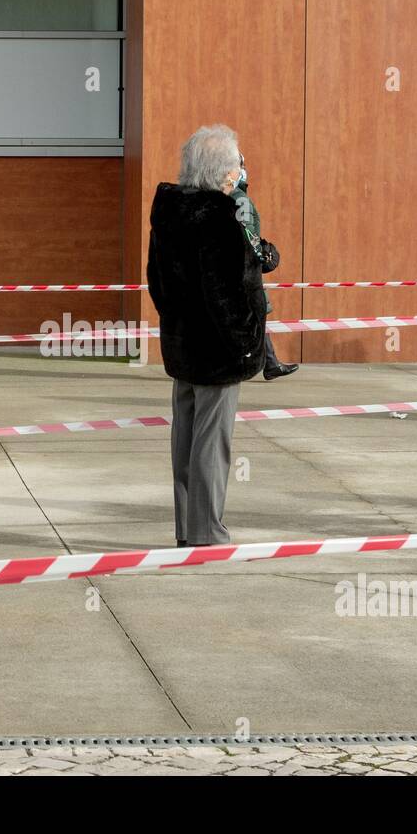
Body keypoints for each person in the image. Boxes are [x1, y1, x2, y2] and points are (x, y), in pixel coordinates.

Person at [148, 124, 265, 547]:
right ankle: (207, 531)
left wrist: (176, 323)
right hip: (217, 352)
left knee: (185, 439)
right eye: (236, 164)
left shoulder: (167, 210)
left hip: (182, 346)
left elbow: (156, 282)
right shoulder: (221, 216)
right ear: (222, 172)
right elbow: (227, 294)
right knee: (212, 447)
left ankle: (187, 528)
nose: (240, 171)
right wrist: (249, 343)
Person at [232, 156, 297, 380]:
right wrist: (261, 257)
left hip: (238, 270)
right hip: (243, 272)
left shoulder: (231, 197)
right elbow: (246, 235)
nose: (244, 170)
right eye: (241, 166)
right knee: (252, 317)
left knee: (255, 318)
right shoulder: (239, 199)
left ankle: (270, 363)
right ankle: (266, 363)